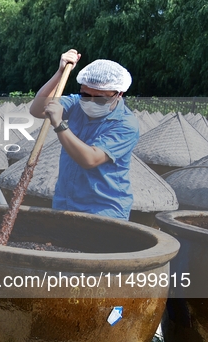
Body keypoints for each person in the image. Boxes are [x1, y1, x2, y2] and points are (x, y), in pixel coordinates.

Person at [29, 49, 139, 220]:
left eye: (100, 98)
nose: (91, 101)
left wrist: (59, 124)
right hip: (65, 202)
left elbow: (90, 159)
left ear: (119, 94)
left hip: (103, 209)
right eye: (86, 95)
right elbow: (37, 109)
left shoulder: (125, 124)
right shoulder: (76, 104)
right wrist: (59, 73)